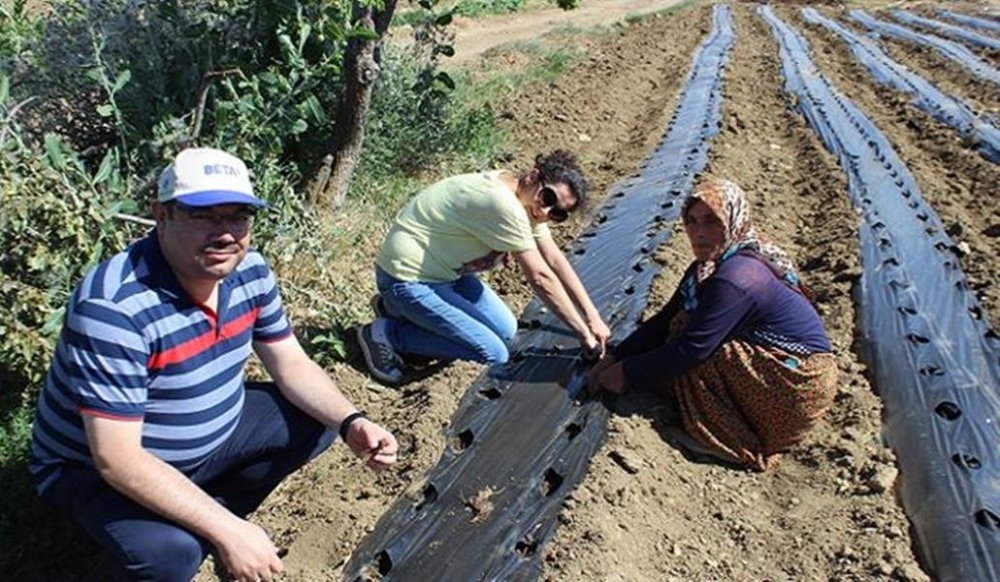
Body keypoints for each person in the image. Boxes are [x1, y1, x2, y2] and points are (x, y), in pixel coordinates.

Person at [29, 147, 399, 581]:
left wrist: (352, 421)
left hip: (203, 441)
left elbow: (290, 363)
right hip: (91, 469)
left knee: (317, 421)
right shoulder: (114, 308)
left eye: (238, 217)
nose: (224, 234)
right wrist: (228, 531)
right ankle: (184, 537)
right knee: (170, 555)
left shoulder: (250, 272)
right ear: (161, 216)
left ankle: (205, 514)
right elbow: (117, 458)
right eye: (203, 216)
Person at [589, 176, 838, 471]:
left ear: (732, 220)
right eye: (691, 222)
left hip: (796, 387)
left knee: (693, 341)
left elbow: (692, 349)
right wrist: (616, 355)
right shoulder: (708, 267)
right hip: (781, 372)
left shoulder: (738, 276)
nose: (699, 233)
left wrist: (626, 374)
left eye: (711, 222)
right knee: (679, 328)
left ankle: (733, 443)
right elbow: (664, 319)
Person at [356, 150, 611, 384]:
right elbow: (541, 277)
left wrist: (593, 317)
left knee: (507, 330)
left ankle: (396, 309)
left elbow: (554, 259)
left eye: (558, 213)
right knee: (493, 352)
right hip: (406, 278)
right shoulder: (503, 204)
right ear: (533, 176)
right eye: (548, 197)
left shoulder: (525, 200)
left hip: (445, 272)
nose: (546, 211)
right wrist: (584, 335)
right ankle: (386, 333)